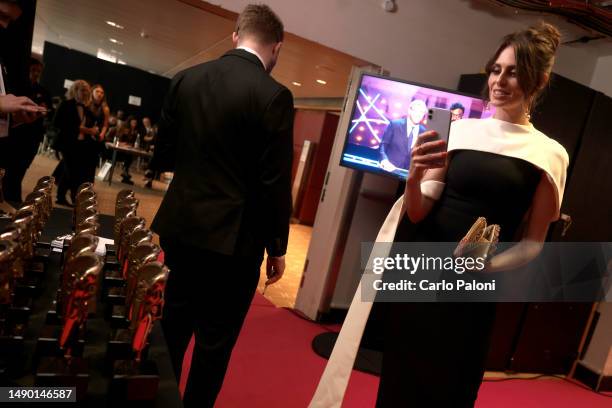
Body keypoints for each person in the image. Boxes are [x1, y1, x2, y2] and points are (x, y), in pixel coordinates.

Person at [375, 23, 568, 407]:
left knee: (450, 389)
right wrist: (412, 178)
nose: (500, 80)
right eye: (496, 70)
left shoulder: (549, 154)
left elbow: (532, 244)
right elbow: (417, 213)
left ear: (540, 80)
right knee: (399, 385)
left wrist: (487, 265)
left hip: (471, 297)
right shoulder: (459, 131)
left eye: (514, 72)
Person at [150, 4, 293, 407]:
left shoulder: (186, 79)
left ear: (235, 36)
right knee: (214, 346)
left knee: (172, 329)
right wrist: (276, 247)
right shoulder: (274, 96)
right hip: (234, 243)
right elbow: (274, 184)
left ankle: (160, 399)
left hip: (181, 230)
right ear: (276, 48)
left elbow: (163, 156)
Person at [53, 79, 94, 206]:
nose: (86, 93)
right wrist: (78, 128)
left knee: (68, 171)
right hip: (67, 143)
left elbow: (89, 126)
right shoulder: (66, 104)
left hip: (80, 145)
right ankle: (74, 197)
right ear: (75, 91)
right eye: (83, 90)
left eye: (87, 91)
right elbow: (56, 123)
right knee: (72, 172)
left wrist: (91, 130)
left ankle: (60, 197)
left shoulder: (87, 110)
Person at [379, 98, 428, 173]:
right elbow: (383, 145)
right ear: (409, 111)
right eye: (416, 110)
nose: (418, 114)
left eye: (421, 112)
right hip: (388, 171)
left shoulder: (424, 132)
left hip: (408, 176)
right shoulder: (395, 125)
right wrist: (384, 160)